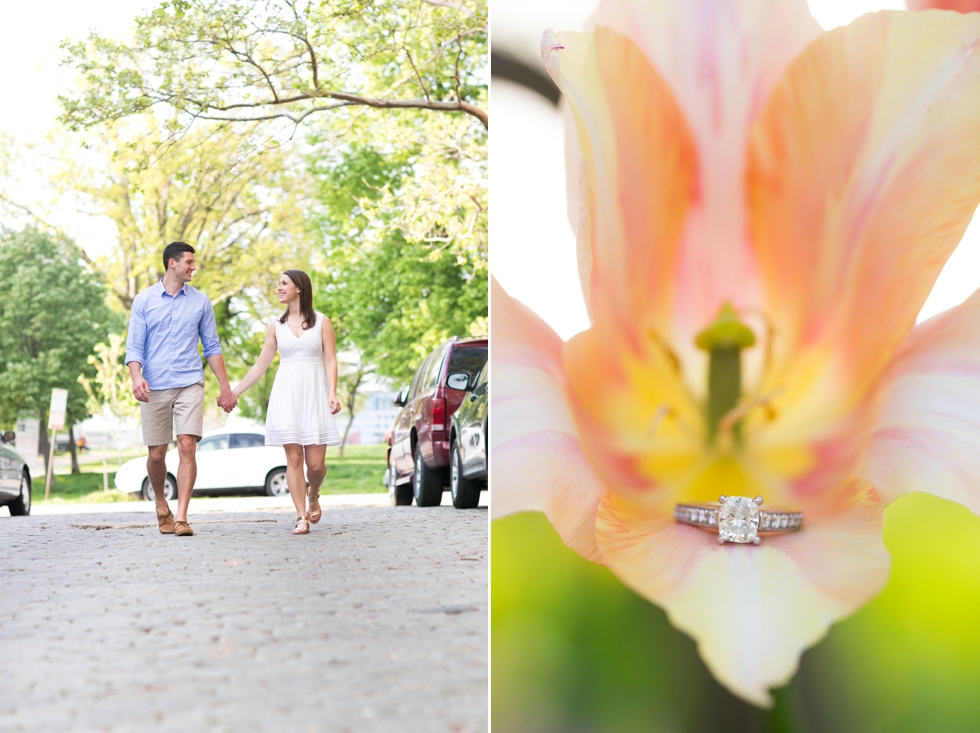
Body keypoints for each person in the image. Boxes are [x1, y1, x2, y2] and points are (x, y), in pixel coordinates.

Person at [125, 242, 237, 537]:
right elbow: (134, 346)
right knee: (157, 454)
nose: (193, 267)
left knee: (187, 445)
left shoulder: (201, 302)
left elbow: (212, 347)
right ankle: (162, 504)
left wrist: (226, 388)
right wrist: (136, 377)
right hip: (154, 385)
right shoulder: (144, 301)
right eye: (188, 262)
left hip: (189, 381)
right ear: (171, 263)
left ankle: (183, 516)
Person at [233, 269, 341, 534]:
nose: (278, 288)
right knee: (293, 459)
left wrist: (333, 391)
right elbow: (261, 365)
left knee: (315, 465)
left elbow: (330, 360)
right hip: (287, 396)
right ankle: (301, 516)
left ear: (299, 288)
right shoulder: (276, 326)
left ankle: (313, 492)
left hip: (315, 394)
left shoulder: (322, 322)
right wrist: (234, 393)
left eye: (283, 284)